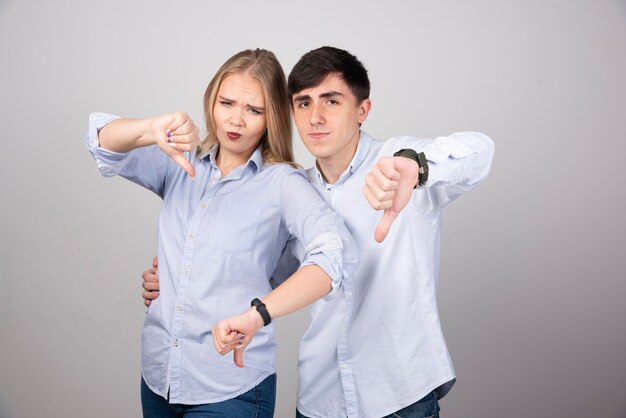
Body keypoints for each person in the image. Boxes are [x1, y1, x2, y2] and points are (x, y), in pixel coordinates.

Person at [143, 46, 495, 418]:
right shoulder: (293, 192)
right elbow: (253, 273)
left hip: (399, 393)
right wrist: (173, 277)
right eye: (304, 103)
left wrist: (417, 168)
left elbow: (480, 152)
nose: (316, 117)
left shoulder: (397, 164)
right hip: (321, 398)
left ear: (362, 110)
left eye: (331, 101)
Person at [86, 48, 358, 418]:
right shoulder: (181, 162)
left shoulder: (282, 184)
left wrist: (259, 313)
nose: (236, 120)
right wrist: (150, 130)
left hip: (231, 386)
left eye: (254, 110)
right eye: (226, 102)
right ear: (211, 100)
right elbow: (101, 141)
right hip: (159, 375)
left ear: (272, 117)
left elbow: (334, 249)